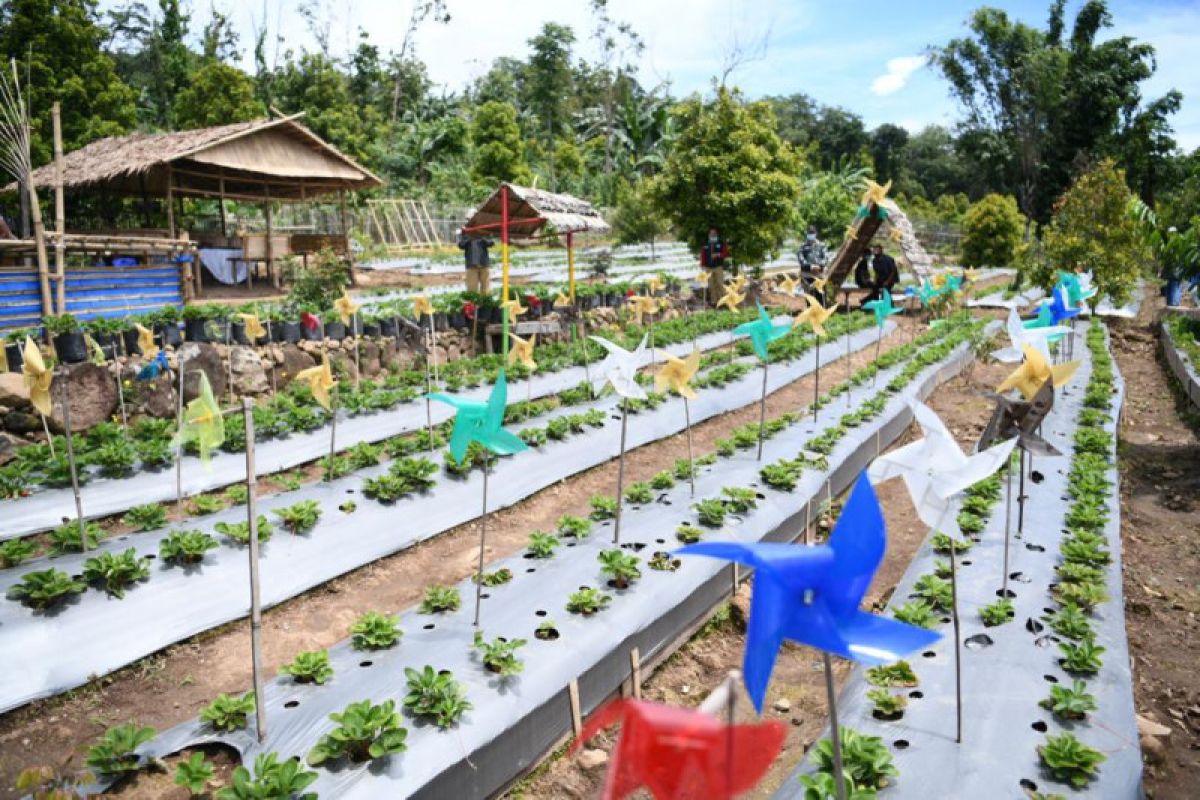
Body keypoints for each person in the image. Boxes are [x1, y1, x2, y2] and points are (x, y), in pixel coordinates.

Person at [458, 229, 494, 293]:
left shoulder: (484, 231)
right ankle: (473, 302)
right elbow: (461, 245)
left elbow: (491, 243)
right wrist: (469, 239)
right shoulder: (466, 232)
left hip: (483, 264)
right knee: (472, 289)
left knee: (486, 288)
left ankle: (484, 302)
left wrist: (482, 238)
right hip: (471, 265)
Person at [700, 227, 730, 301]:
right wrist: (702, 265)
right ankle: (714, 302)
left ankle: (724, 301)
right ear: (709, 235)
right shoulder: (705, 244)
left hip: (718, 267)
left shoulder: (721, 243)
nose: (712, 235)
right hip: (708, 267)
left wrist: (718, 254)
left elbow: (726, 254)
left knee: (720, 284)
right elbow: (702, 255)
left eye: (714, 233)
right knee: (711, 285)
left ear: (717, 235)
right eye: (711, 233)